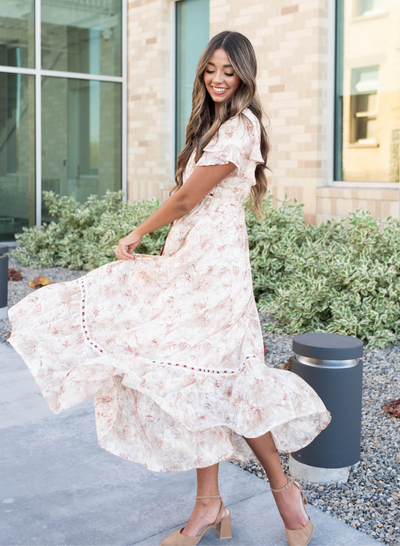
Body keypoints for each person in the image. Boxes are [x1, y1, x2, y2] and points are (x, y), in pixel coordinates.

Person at [7, 30, 331, 546]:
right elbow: (187, 204)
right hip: (190, 263)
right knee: (195, 385)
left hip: (216, 274)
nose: (219, 79)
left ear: (245, 76)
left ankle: (282, 490)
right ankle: (209, 506)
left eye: (229, 71)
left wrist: (137, 232)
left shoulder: (240, 128)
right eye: (211, 69)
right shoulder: (214, 125)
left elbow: (185, 201)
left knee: (231, 383)